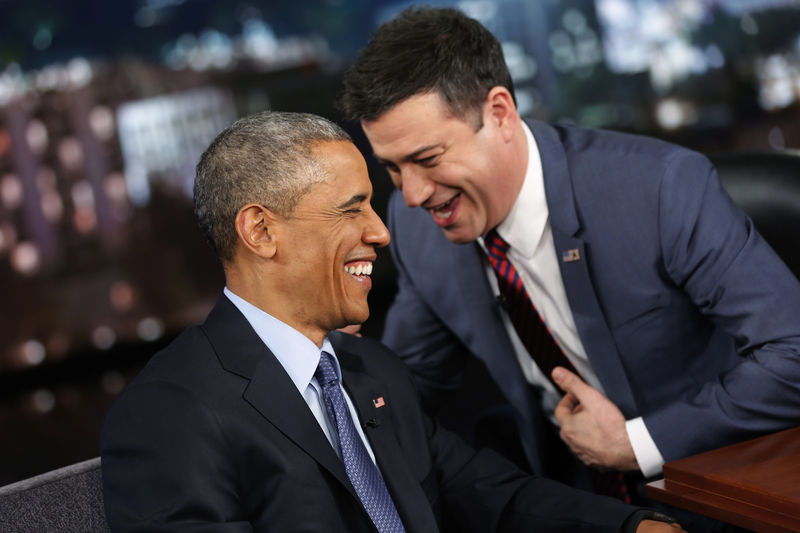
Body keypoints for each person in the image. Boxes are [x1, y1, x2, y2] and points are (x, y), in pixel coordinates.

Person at [100, 111, 683, 532]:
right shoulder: (171, 410)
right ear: (260, 231)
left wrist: (635, 529)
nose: (381, 231)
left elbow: (490, 496)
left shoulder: (370, 369)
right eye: (352, 208)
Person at [337, 4, 800, 520]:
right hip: (570, 503)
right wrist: (335, 372)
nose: (414, 194)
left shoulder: (660, 187)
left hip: (717, 491)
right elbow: (411, 384)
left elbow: (794, 353)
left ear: (499, 114)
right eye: (393, 169)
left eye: (427, 159)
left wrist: (637, 442)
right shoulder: (414, 224)